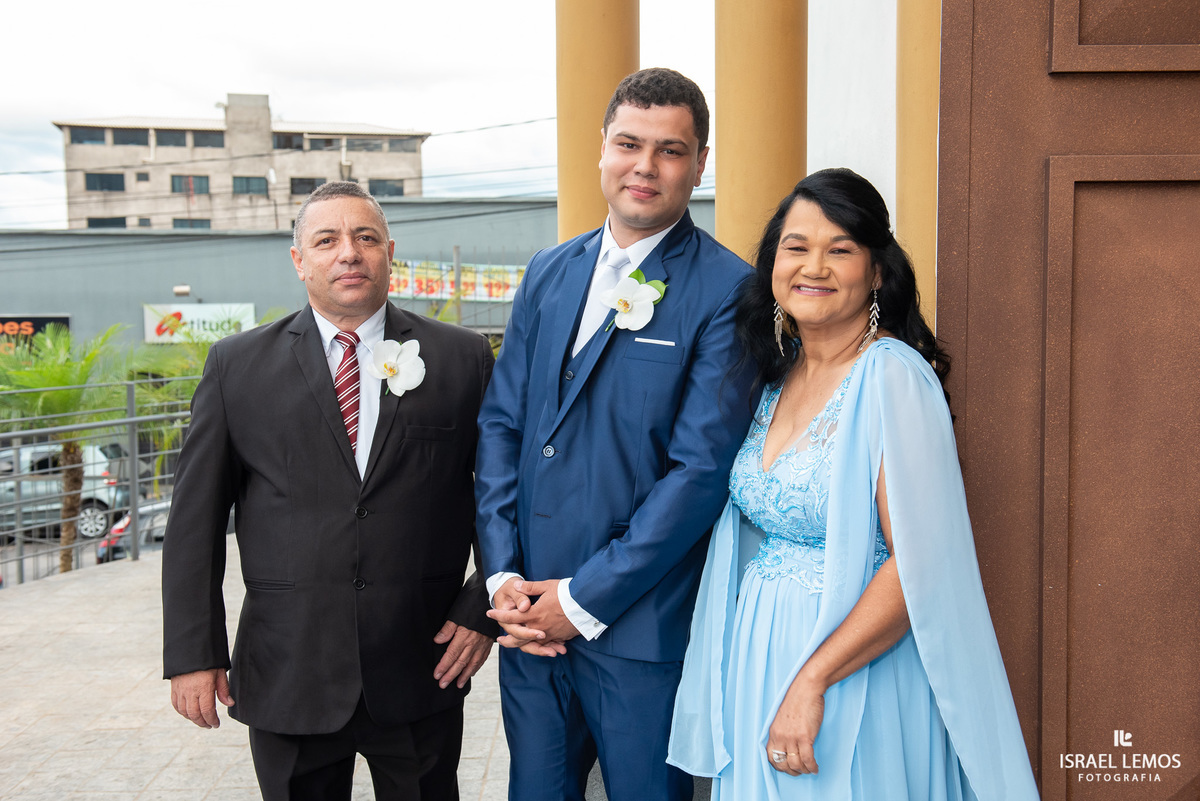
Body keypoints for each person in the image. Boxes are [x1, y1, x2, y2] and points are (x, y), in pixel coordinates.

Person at [667, 168, 1041, 800]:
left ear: (876, 272)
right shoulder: (775, 376)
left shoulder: (892, 375)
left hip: (853, 670)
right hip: (763, 656)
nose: (814, 266)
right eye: (796, 246)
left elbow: (915, 563)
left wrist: (813, 680)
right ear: (772, 264)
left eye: (840, 249)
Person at [162, 181, 498, 801]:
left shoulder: (462, 358)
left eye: (365, 238)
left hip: (420, 662)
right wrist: (191, 653)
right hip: (289, 670)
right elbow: (194, 524)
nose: (349, 252)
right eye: (328, 240)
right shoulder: (236, 366)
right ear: (299, 260)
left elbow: (502, 499)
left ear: (389, 252)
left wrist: (484, 606)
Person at [474, 68, 757, 801]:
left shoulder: (730, 290)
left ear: (700, 164)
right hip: (527, 623)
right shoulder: (548, 271)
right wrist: (503, 575)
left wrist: (585, 597)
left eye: (670, 150)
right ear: (601, 148)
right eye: (629, 143)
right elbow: (504, 425)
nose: (645, 166)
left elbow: (700, 471)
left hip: (637, 628)